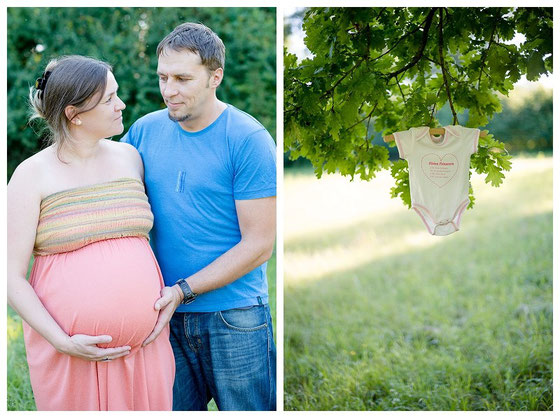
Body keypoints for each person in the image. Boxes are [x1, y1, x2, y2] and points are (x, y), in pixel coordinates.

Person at [121, 22, 276, 411]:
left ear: (215, 77)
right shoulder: (143, 132)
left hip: (235, 317)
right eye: (163, 77)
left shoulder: (248, 139)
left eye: (183, 79)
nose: (168, 90)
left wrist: (183, 290)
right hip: (161, 317)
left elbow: (259, 245)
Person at [7, 55, 175, 411]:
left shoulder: (130, 157)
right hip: (70, 353)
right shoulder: (31, 175)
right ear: (74, 113)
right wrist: (62, 341)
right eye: (109, 99)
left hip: (145, 349)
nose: (122, 104)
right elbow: (9, 277)